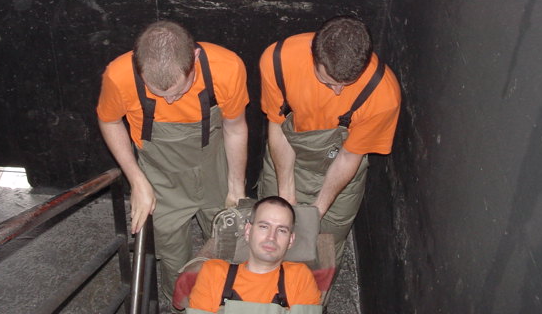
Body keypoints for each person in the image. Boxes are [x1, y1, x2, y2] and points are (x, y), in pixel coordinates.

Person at [97, 20, 249, 304]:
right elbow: (109, 121)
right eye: (158, 94)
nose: (169, 102)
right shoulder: (119, 76)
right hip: (161, 175)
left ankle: (225, 302)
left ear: (195, 57)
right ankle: (182, 304)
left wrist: (236, 185)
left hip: (213, 165)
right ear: (138, 67)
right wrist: (137, 181)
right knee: (172, 253)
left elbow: (236, 127)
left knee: (228, 238)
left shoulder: (227, 68)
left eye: (179, 92)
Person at [257, 16, 401, 268]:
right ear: (314, 56)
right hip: (287, 155)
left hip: (341, 168)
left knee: (325, 246)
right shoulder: (279, 61)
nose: (337, 92)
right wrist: (286, 195)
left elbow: (349, 155)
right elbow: (278, 127)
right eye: (327, 82)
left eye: (346, 85)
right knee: (272, 235)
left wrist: (316, 212)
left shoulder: (383, 95)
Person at [187, 196, 322, 313]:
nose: (271, 237)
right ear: (248, 231)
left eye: (281, 230)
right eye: (264, 226)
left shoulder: (299, 277)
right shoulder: (214, 273)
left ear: (291, 240)